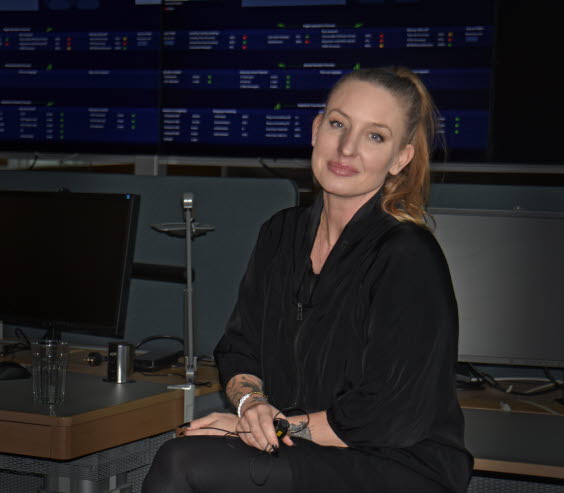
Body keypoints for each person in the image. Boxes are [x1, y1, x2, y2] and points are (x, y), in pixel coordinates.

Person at [142, 66, 472, 493]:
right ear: (317, 129)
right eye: (338, 124)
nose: (347, 148)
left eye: (375, 136)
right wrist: (252, 405)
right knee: (189, 446)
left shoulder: (407, 254)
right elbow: (240, 349)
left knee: (183, 462)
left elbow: (388, 415)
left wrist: (270, 430)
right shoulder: (281, 233)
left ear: (400, 158)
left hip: (397, 464)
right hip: (304, 450)